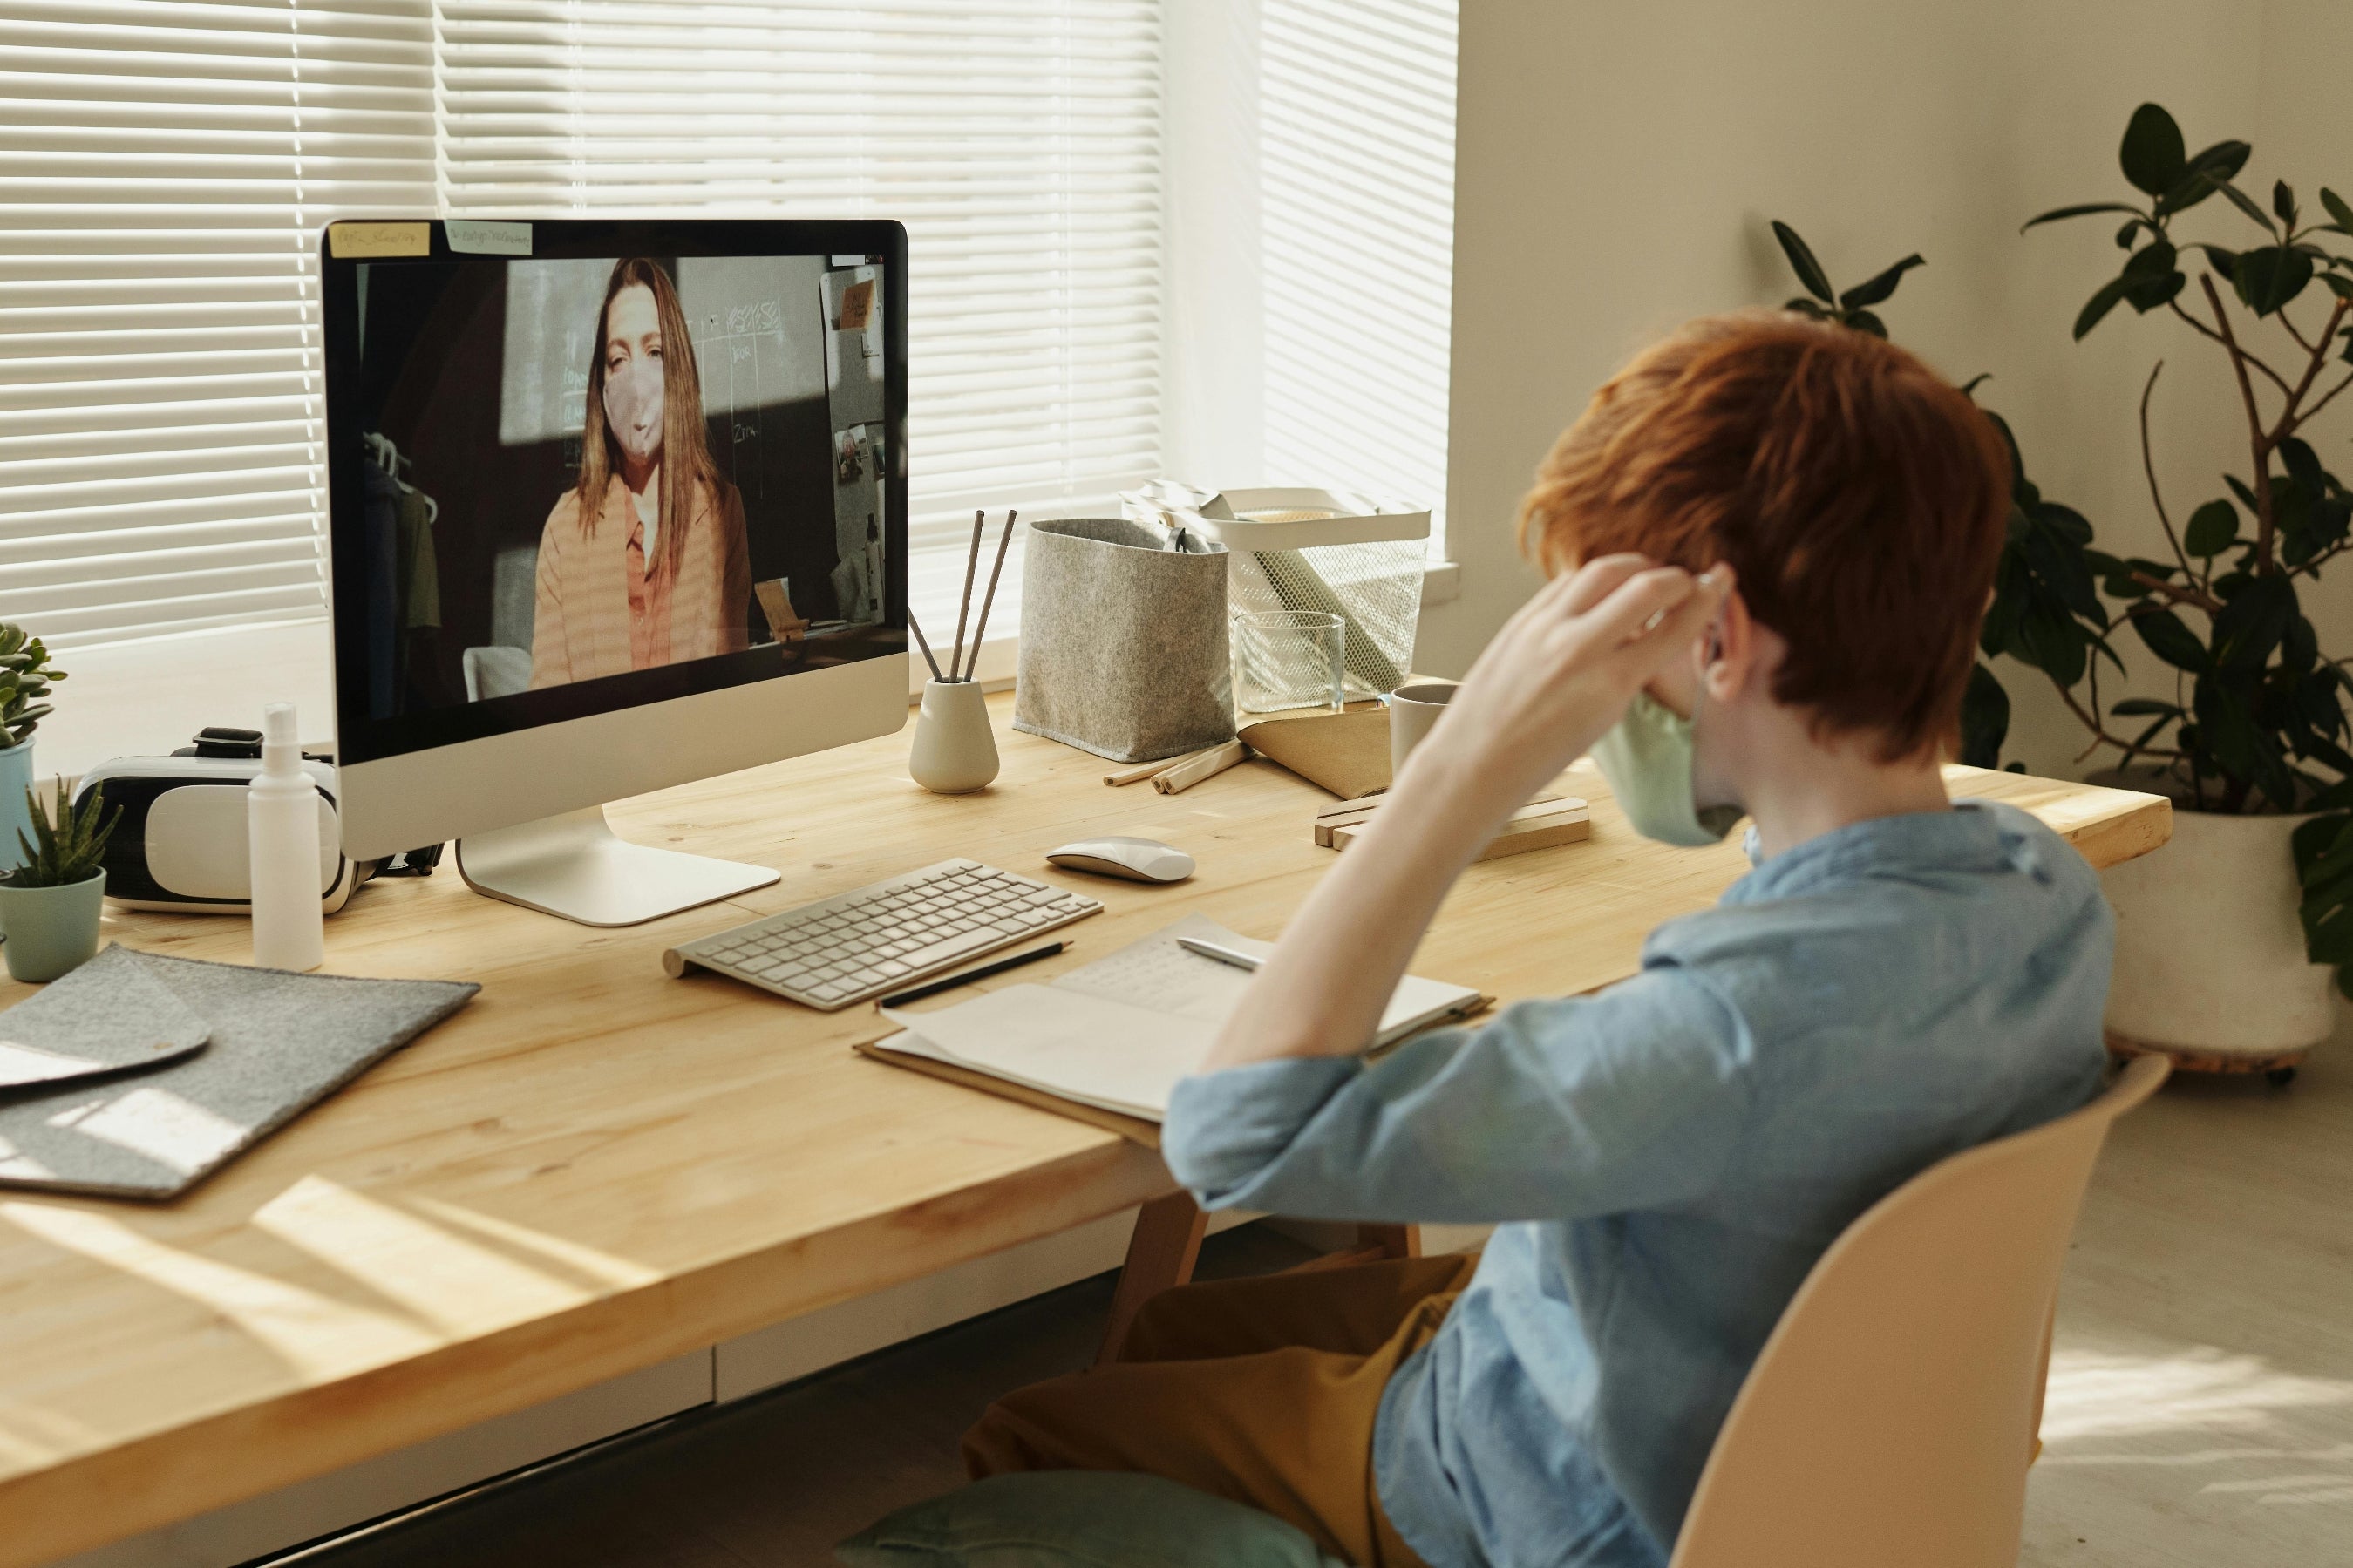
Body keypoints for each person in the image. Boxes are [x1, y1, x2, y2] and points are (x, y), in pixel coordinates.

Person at [945, 314, 2115, 1568]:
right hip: (1742, 1405)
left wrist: (1459, 764)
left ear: (1713, 640)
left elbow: (1236, 1133)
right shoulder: (2038, 890)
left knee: (1037, 1424)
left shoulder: (1717, 1032)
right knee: (1176, 1330)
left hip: (1543, 1491)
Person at [528, 257, 751, 689]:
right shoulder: (564, 528)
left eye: (655, 352)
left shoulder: (724, 513)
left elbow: (731, 692)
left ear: (679, 370)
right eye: (617, 359)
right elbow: (547, 708)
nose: (635, 378)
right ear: (601, 384)